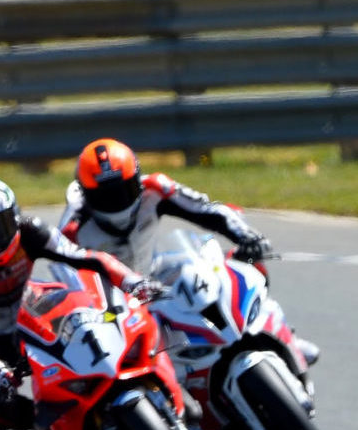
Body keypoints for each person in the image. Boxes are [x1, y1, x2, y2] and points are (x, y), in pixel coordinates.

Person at [0, 176, 164, 430]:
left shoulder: (30, 230)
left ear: (14, 216)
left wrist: (131, 281)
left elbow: (87, 258)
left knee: (110, 320)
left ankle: (149, 384)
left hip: (36, 311)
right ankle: (48, 428)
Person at [60, 138, 317, 366]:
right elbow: (73, 286)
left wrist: (247, 235)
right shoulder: (72, 230)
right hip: (116, 303)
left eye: (124, 192)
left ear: (137, 180)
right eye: (105, 198)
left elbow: (207, 209)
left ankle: (280, 334)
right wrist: (105, 314)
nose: (117, 204)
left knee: (240, 266)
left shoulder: (156, 189)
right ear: (86, 195)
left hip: (155, 274)